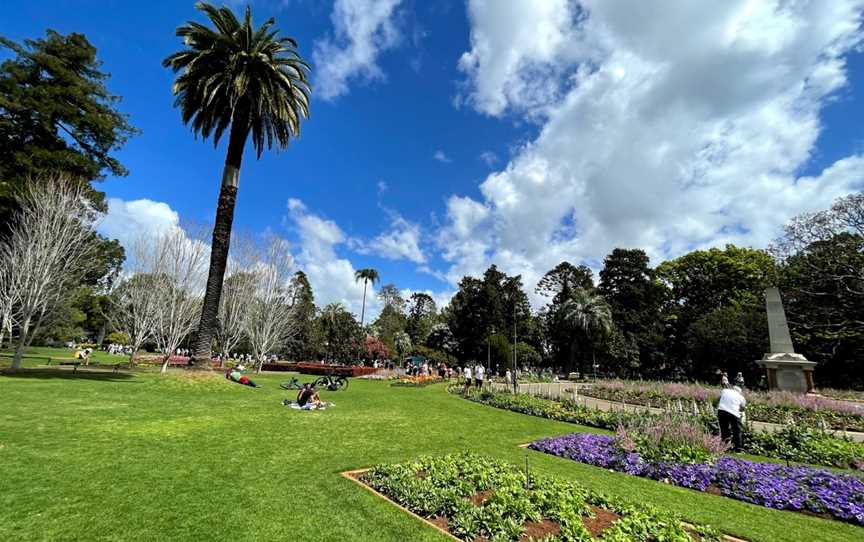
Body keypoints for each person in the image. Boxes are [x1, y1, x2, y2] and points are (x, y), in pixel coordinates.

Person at [717, 385, 746, 451]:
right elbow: (742, 408)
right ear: (739, 392)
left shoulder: (725, 390)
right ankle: (738, 447)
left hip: (721, 411)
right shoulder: (741, 397)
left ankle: (725, 446)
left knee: (724, 429)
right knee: (737, 430)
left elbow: (719, 398)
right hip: (734, 413)